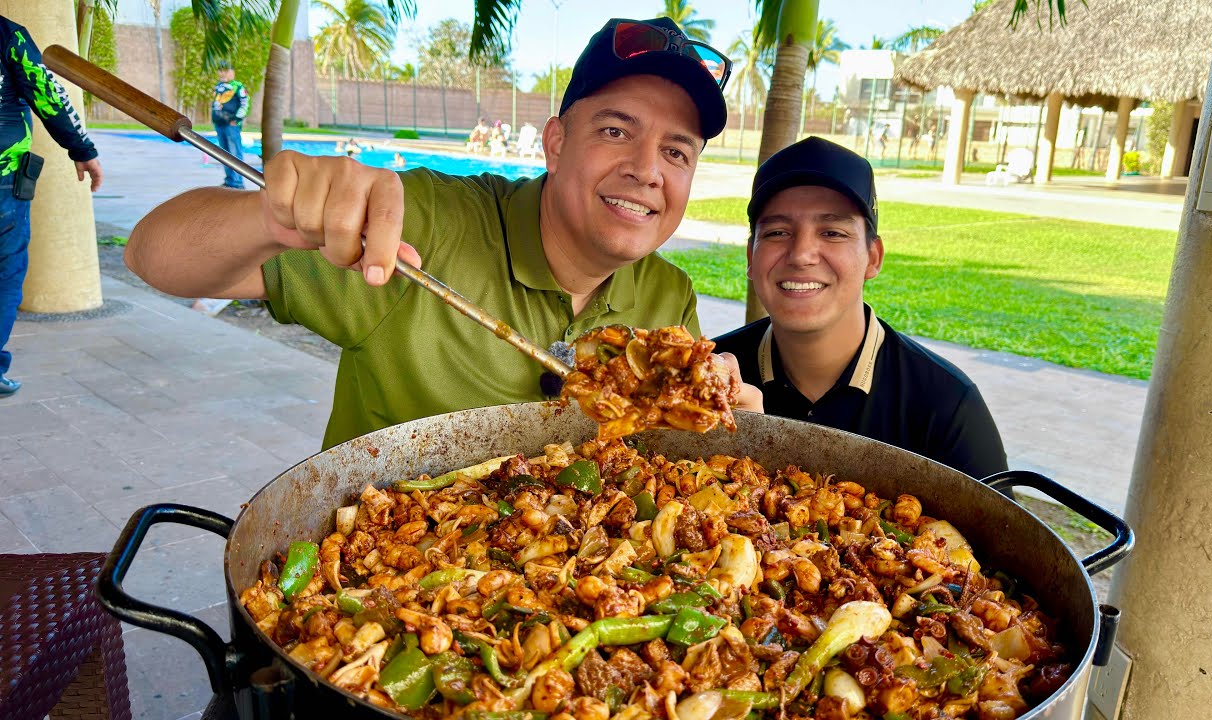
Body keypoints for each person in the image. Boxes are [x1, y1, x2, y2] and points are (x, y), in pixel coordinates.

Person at [125, 17, 757, 449]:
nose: (647, 171)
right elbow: (155, 256)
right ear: (557, 143)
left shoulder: (668, 296)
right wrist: (270, 217)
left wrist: (722, 409)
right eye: (616, 131)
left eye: (677, 153)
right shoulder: (421, 224)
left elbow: (667, 451)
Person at [713, 137, 1006, 479]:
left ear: (873, 258)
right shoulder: (713, 378)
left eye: (833, 233)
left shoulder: (946, 406)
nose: (801, 254)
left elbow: (996, 528)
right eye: (778, 232)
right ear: (751, 257)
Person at [0, 15, 104, 397]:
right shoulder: (6, 34)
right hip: (3, 183)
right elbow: (44, 90)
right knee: (5, 273)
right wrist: (82, 149)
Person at [211, 61, 249, 189]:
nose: (222, 73)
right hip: (219, 124)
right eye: (220, 70)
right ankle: (230, 179)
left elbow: (244, 104)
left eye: (226, 70)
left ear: (232, 72)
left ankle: (237, 182)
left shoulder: (238, 86)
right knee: (224, 153)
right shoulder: (218, 86)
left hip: (231, 125)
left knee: (234, 152)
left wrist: (236, 118)